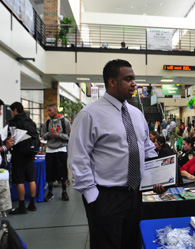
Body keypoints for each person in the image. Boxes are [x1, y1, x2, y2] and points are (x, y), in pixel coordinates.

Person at [68, 59, 158, 249]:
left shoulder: (136, 114)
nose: (134, 83)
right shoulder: (89, 114)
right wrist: (93, 197)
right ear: (112, 82)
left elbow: (147, 148)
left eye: (134, 79)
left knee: (131, 243)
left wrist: (157, 176)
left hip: (135, 195)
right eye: (128, 79)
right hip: (105, 196)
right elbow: (78, 157)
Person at [8, 102, 39, 214]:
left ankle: (21, 206)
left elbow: (10, 138)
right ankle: (32, 204)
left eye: (11, 110)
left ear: (15, 110)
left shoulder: (13, 122)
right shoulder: (30, 121)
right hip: (30, 153)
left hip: (18, 154)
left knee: (19, 180)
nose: (11, 113)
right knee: (31, 179)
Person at [41, 104, 71, 202]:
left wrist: (59, 135)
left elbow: (69, 136)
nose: (48, 112)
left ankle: (64, 191)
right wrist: (49, 134)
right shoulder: (46, 123)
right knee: (49, 172)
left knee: (62, 172)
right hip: (50, 150)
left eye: (50, 110)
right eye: (47, 111)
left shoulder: (64, 122)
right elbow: (43, 136)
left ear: (55, 110)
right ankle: (50, 192)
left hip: (61, 149)